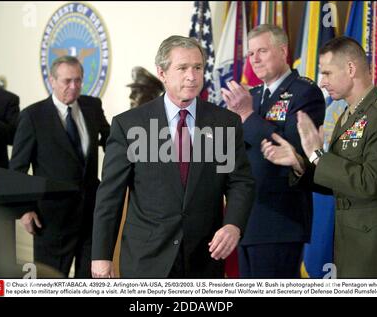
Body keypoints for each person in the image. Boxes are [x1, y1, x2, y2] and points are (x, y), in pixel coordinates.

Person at [91, 35, 255, 278]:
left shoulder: (225, 123)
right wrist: (101, 257)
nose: (192, 75)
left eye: (198, 67)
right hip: (146, 261)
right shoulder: (129, 125)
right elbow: (109, 196)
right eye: (182, 68)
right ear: (162, 72)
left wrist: (233, 225)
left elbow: (240, 182)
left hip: (204, 259)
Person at [261, 36, 377, 278]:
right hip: (349, 245)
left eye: (327, 73)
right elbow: (337, 180)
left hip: (376, 250)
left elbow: (369, 183)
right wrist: (299, 162)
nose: (322, 82)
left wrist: (318, 155)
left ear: (350, 69)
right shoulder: (348, 117)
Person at [220, 24, 325, 278]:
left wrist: (246, 115)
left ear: (283, 51)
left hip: (279, 220)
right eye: (251, 53)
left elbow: (292, 151)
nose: (254, 59)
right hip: (247, 219)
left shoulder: (305, 92)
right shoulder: (252, 95)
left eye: (262, 51)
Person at [10, 56, 110, 278]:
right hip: (52, 222)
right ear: (52, 80)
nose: (73, 87)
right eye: (67, 81)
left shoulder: (92, 106)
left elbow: (112, 141)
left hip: (91, 217)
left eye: (78, 80)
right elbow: (17, 169)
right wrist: (24, 209)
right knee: (50, 284)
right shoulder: (32, 116)